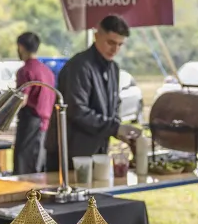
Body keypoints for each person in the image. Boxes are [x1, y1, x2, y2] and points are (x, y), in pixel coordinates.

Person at [46, 15, 140, 172]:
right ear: (97, 36)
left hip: (98, 151)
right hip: (70, 153)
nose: (115, 49)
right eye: (110, 42)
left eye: (120, 45)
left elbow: (113, 104)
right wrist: (114, 128)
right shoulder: (79, 66)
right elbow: (77, 110)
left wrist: (119, 128)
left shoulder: (113, 68)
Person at [13, 32, 56, 175]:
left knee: (24, 167)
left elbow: (22, 100)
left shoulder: (25, 71)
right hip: (46, 123)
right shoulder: (47, 71)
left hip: (30, 122)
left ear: (20, 47)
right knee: (38, 166)